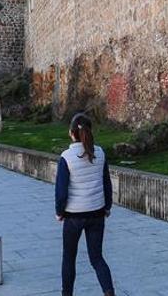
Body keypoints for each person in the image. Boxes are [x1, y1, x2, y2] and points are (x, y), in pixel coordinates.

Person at [55, 113, 115, 296]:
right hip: (97, 212)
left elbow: (61, 191)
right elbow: (106, 183)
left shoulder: (66, 157)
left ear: (72, 133)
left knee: (69, 258)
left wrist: (59, 211)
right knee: (97, 258)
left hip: (73, 216)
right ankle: (109, 292)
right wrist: (107, 207)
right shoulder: (100, 153)